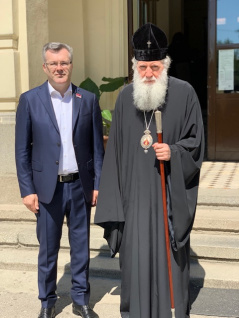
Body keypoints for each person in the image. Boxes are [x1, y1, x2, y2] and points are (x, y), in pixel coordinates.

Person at [95, 23, 204, 318]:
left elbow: (195, 144)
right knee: (136, 262)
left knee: (169, 262)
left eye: (154, 67)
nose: (148, 74)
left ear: (165, 65)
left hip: (168, 199)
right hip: (133, 205)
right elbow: (114, 155)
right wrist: (114, 206)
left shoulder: (184, 94)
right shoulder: (124, 98)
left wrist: (175, 152)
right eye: (143, 67)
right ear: (135, 66)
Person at [15, 42, 104, 318]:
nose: (59, 68)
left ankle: (81, 300)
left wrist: (98, 184)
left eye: (64, 63)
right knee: (48, 250)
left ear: (71, 65)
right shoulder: (30, 100)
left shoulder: (87, 100)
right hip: (46, 189)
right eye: (53, 63)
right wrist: (27, 190)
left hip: (80, 187)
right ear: (45, 67)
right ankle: (47, 302)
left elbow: (97, 149)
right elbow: (22, 151)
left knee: (81, 248)